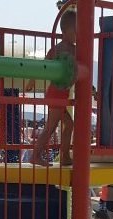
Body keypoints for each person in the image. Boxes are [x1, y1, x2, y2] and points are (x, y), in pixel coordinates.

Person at [30, 6, 76, 166]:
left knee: (69, 124)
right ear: (66, 31)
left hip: (59, 93)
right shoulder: (62, 49)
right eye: (76, 31)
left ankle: (64, 156)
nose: (79, 35)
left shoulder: (67, 49)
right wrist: (32, 80)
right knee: (51, 127)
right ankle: (36, 155)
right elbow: (44, 65)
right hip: (56, 93)